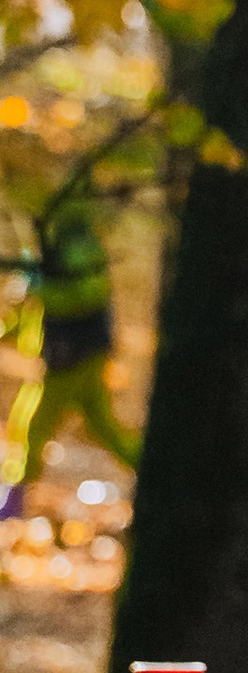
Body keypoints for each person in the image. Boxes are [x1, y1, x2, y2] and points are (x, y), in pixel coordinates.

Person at [1, 181, 140, 521]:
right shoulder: (55, 250)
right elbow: (34, 312)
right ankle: (157, 474)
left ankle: (13, 503)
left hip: (77, 357)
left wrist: (39, 293)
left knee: (31, 425)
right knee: (103, 427)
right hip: (73, 356)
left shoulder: (76, 248)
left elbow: (85, 296)